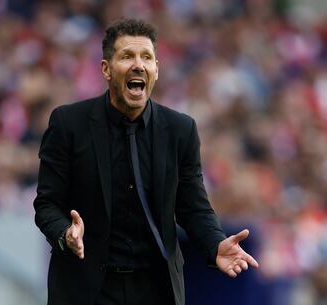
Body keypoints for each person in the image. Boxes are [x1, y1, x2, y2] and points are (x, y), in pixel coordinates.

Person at [33, 18, 259, 305]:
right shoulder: (68, 124)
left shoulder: (181, 130)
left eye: (147, 57)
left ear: (156, 70)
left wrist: (215, 243)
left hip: (155, 290)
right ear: (106, 69)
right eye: (127, 56)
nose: (138, 64)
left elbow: (193, 208)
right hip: (87, 289)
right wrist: (66, 234)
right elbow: (47, 204)